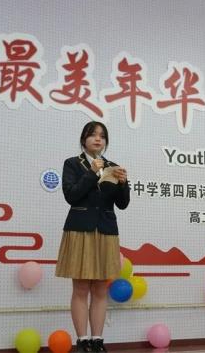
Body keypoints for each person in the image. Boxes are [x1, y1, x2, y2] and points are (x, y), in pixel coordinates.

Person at [55, 121, 130, 352]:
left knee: (100, 290)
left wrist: (123, 183)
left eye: (102, 136)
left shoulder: (112, 167)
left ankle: (97, 340)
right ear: (83, 139)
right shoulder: (72, 164)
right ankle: (83, 341)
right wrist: (91, 172)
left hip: (105, 230)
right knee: (80, 289)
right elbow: (71, 195)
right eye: (93, 135)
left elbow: (123, 204)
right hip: (80, 230)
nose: (98, 139)